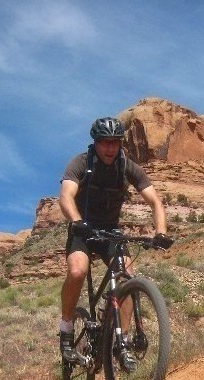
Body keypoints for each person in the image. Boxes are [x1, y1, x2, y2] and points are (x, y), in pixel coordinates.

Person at [58, 116, 173, 364]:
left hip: (110, 230)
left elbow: (155, 202)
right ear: (96, 143)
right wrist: (77, 221)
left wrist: (161, 231)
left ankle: (122, 342)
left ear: (121, 143)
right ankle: (66, 330)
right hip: (84, 229)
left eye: (115, 142)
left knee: (128, 278)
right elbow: (66, 195)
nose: (110, 148)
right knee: (77, 271)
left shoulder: (127, 167)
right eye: (104, 143)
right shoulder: (80, 163)